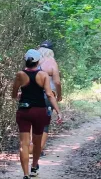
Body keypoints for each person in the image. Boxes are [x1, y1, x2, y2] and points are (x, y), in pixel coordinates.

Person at [12, 49, 62, 179]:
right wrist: (58, 110)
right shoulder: (43, 75)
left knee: (24, 143)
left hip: (24, 111)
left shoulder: (20, 75)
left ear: (26, 60)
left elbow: (14, 94)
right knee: (37, 141)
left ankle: (26, 174)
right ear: (38, 61)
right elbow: (50, 94)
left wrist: (19, 95)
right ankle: (34, 167)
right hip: (40, 111)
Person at [28, 40, 62, 156]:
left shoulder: (33, 61)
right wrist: (60, 95)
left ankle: (31, 146)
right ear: (51, 51)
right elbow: (57, 82)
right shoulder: (52, 62)